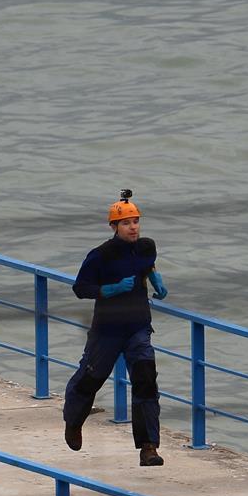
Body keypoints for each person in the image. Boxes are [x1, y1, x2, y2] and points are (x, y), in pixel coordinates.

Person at [62, 191, 169, 466]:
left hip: (138, 327)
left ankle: (149, 448)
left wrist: (157, 281)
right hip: (107, 329)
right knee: (91, 379)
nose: (133, 227)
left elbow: (147, 265)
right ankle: (73, 421)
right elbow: (80, 288)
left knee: (146, 382)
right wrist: (109, 289)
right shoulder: (100, 256)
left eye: (136, 221)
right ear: (113, 226)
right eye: (126, 223)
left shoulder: (146, 247)